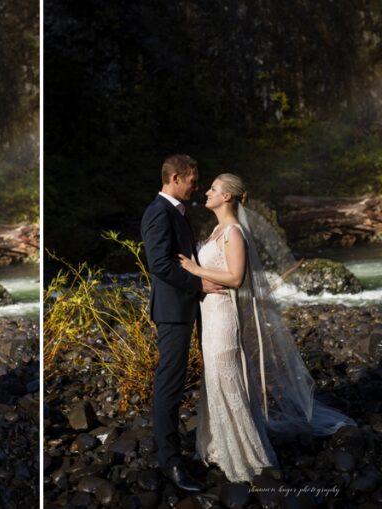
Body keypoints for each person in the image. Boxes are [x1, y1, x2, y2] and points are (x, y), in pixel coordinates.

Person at [179, 173, 354, 482]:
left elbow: (235, 277)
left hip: (224, 318)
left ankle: (248, 455)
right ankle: (219, 445)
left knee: (228, 380)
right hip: (210, 317)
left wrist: (196, 269)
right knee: (215, 380)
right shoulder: (219, 229)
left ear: (228, 197)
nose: (207, 192)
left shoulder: (233, 232)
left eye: (213, 189)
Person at [140, 154, 224, 492]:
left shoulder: (174, 211)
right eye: (193, 180)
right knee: (169, 384)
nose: (197, 185)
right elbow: (159, 264)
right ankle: (170, 462)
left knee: (173, 382)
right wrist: (200, 284)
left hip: (185, 308)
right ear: (175, 178)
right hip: (173, 311)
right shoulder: (158, 212)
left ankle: (177, 453)